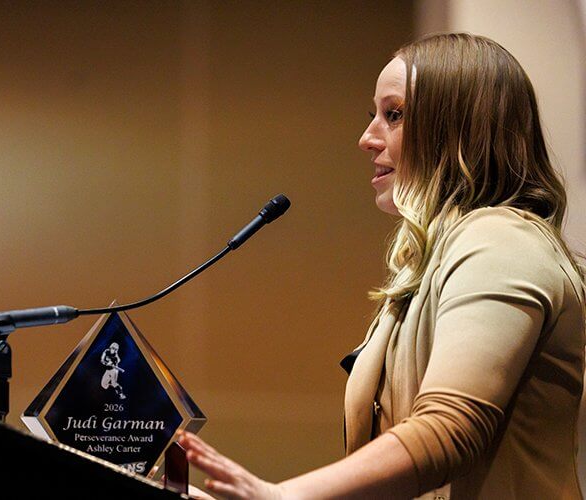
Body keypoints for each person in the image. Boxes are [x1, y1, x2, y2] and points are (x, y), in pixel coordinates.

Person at [178, 33, 586, 499]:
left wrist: (283, 496)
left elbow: (451, 429)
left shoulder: (501, 241)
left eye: (394, 115)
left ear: (458, 129)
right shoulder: (439, 257)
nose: (367, 139)